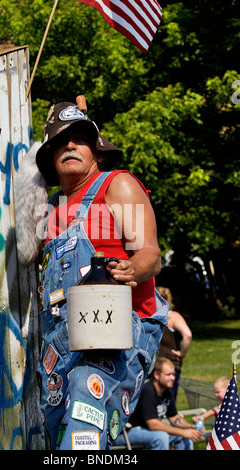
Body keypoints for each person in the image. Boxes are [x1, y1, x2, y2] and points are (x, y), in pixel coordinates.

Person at [31, 96, 168, 450]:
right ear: (50, 159)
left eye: (80, 139)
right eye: (60, 141)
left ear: (98, 153)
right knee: (64, 432)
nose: (70, 145)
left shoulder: (116, 186)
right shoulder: (49, 212)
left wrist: (131, 268)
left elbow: (151, 254)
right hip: (62, 344)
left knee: (84, 392)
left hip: (120, 330)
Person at [113, 357, 202, 450]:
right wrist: (182, 432)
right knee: (161, 437)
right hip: (127, 432)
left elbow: (174, 417)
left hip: (147, 431)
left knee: (185, 436)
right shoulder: (147, 390)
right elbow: (153, 424)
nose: (173, 378)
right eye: (168, 374)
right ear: (156, 375)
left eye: (173, 374)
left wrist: (191, 428)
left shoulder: (167, 391)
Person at [157, 286, 192, 401]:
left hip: (153, 366)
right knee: (168, 403)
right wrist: (182, 353)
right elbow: (188, 335)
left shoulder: (151, 316)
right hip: (171, 366)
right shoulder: (173, 317)